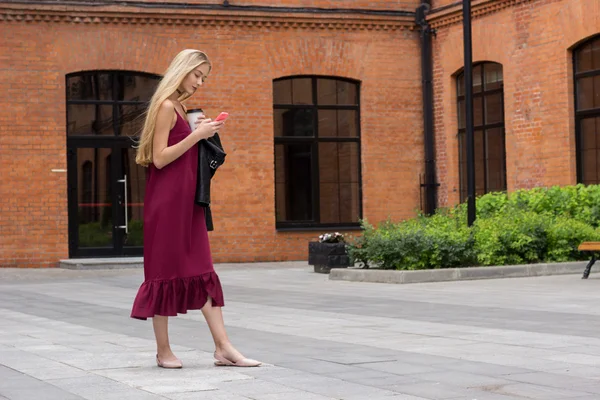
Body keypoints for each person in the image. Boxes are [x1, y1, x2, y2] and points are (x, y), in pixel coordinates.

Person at [130, 49, 261, 369]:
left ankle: (224, 347)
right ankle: (163, 351)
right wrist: (196, 135)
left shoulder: (181, 107)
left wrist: (202, 132)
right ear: (183, 70)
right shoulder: (164, 107)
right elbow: (159, 158)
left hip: (189, 202)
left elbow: (184, 152)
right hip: (166, 205)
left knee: (202, 270)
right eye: (197, 75)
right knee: (162, 273)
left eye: (204, 77)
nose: (200, 82)